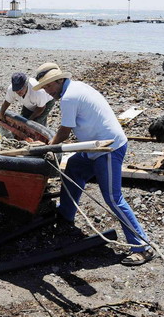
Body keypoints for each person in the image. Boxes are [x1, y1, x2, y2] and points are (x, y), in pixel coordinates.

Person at [33, 63, 153, 266]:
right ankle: (66, 214)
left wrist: (46, 149)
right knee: (73, 169)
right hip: (93, 148)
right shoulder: (76, 88)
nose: (47, 91)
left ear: (58, 81)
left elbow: (64, 131)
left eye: (48, 87)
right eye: (44, 88)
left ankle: (142, 247)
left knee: (113, 198)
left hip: (108, 149)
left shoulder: (69, 97)